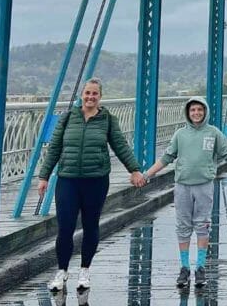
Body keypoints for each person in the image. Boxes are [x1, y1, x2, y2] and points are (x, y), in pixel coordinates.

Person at [37, 78, 146, 293]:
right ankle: (62, 271)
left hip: (95, 180)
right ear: (81, 95)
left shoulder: (108, 120)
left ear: (100, 97)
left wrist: (134, 170)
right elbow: (54, 148)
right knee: (65, 227)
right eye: (87, 93)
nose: (90, 97)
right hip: (67, 179)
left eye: (94, 94)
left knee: (90, 225)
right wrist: (44, 176)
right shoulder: (67, 118)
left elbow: (120, 146)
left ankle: (85, 270)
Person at [144, 96, 227, 289]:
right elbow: (166, 157)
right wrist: (146, 175)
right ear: (188, 113)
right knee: (183, 225)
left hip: (204, 185)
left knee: (203, 225)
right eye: (192, 110)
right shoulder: (180, 134)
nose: (196, 113)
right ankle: (185, 267)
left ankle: (201, 267)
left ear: (205, 111)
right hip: (182, 186)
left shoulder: (213, 133)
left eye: (199, 110)